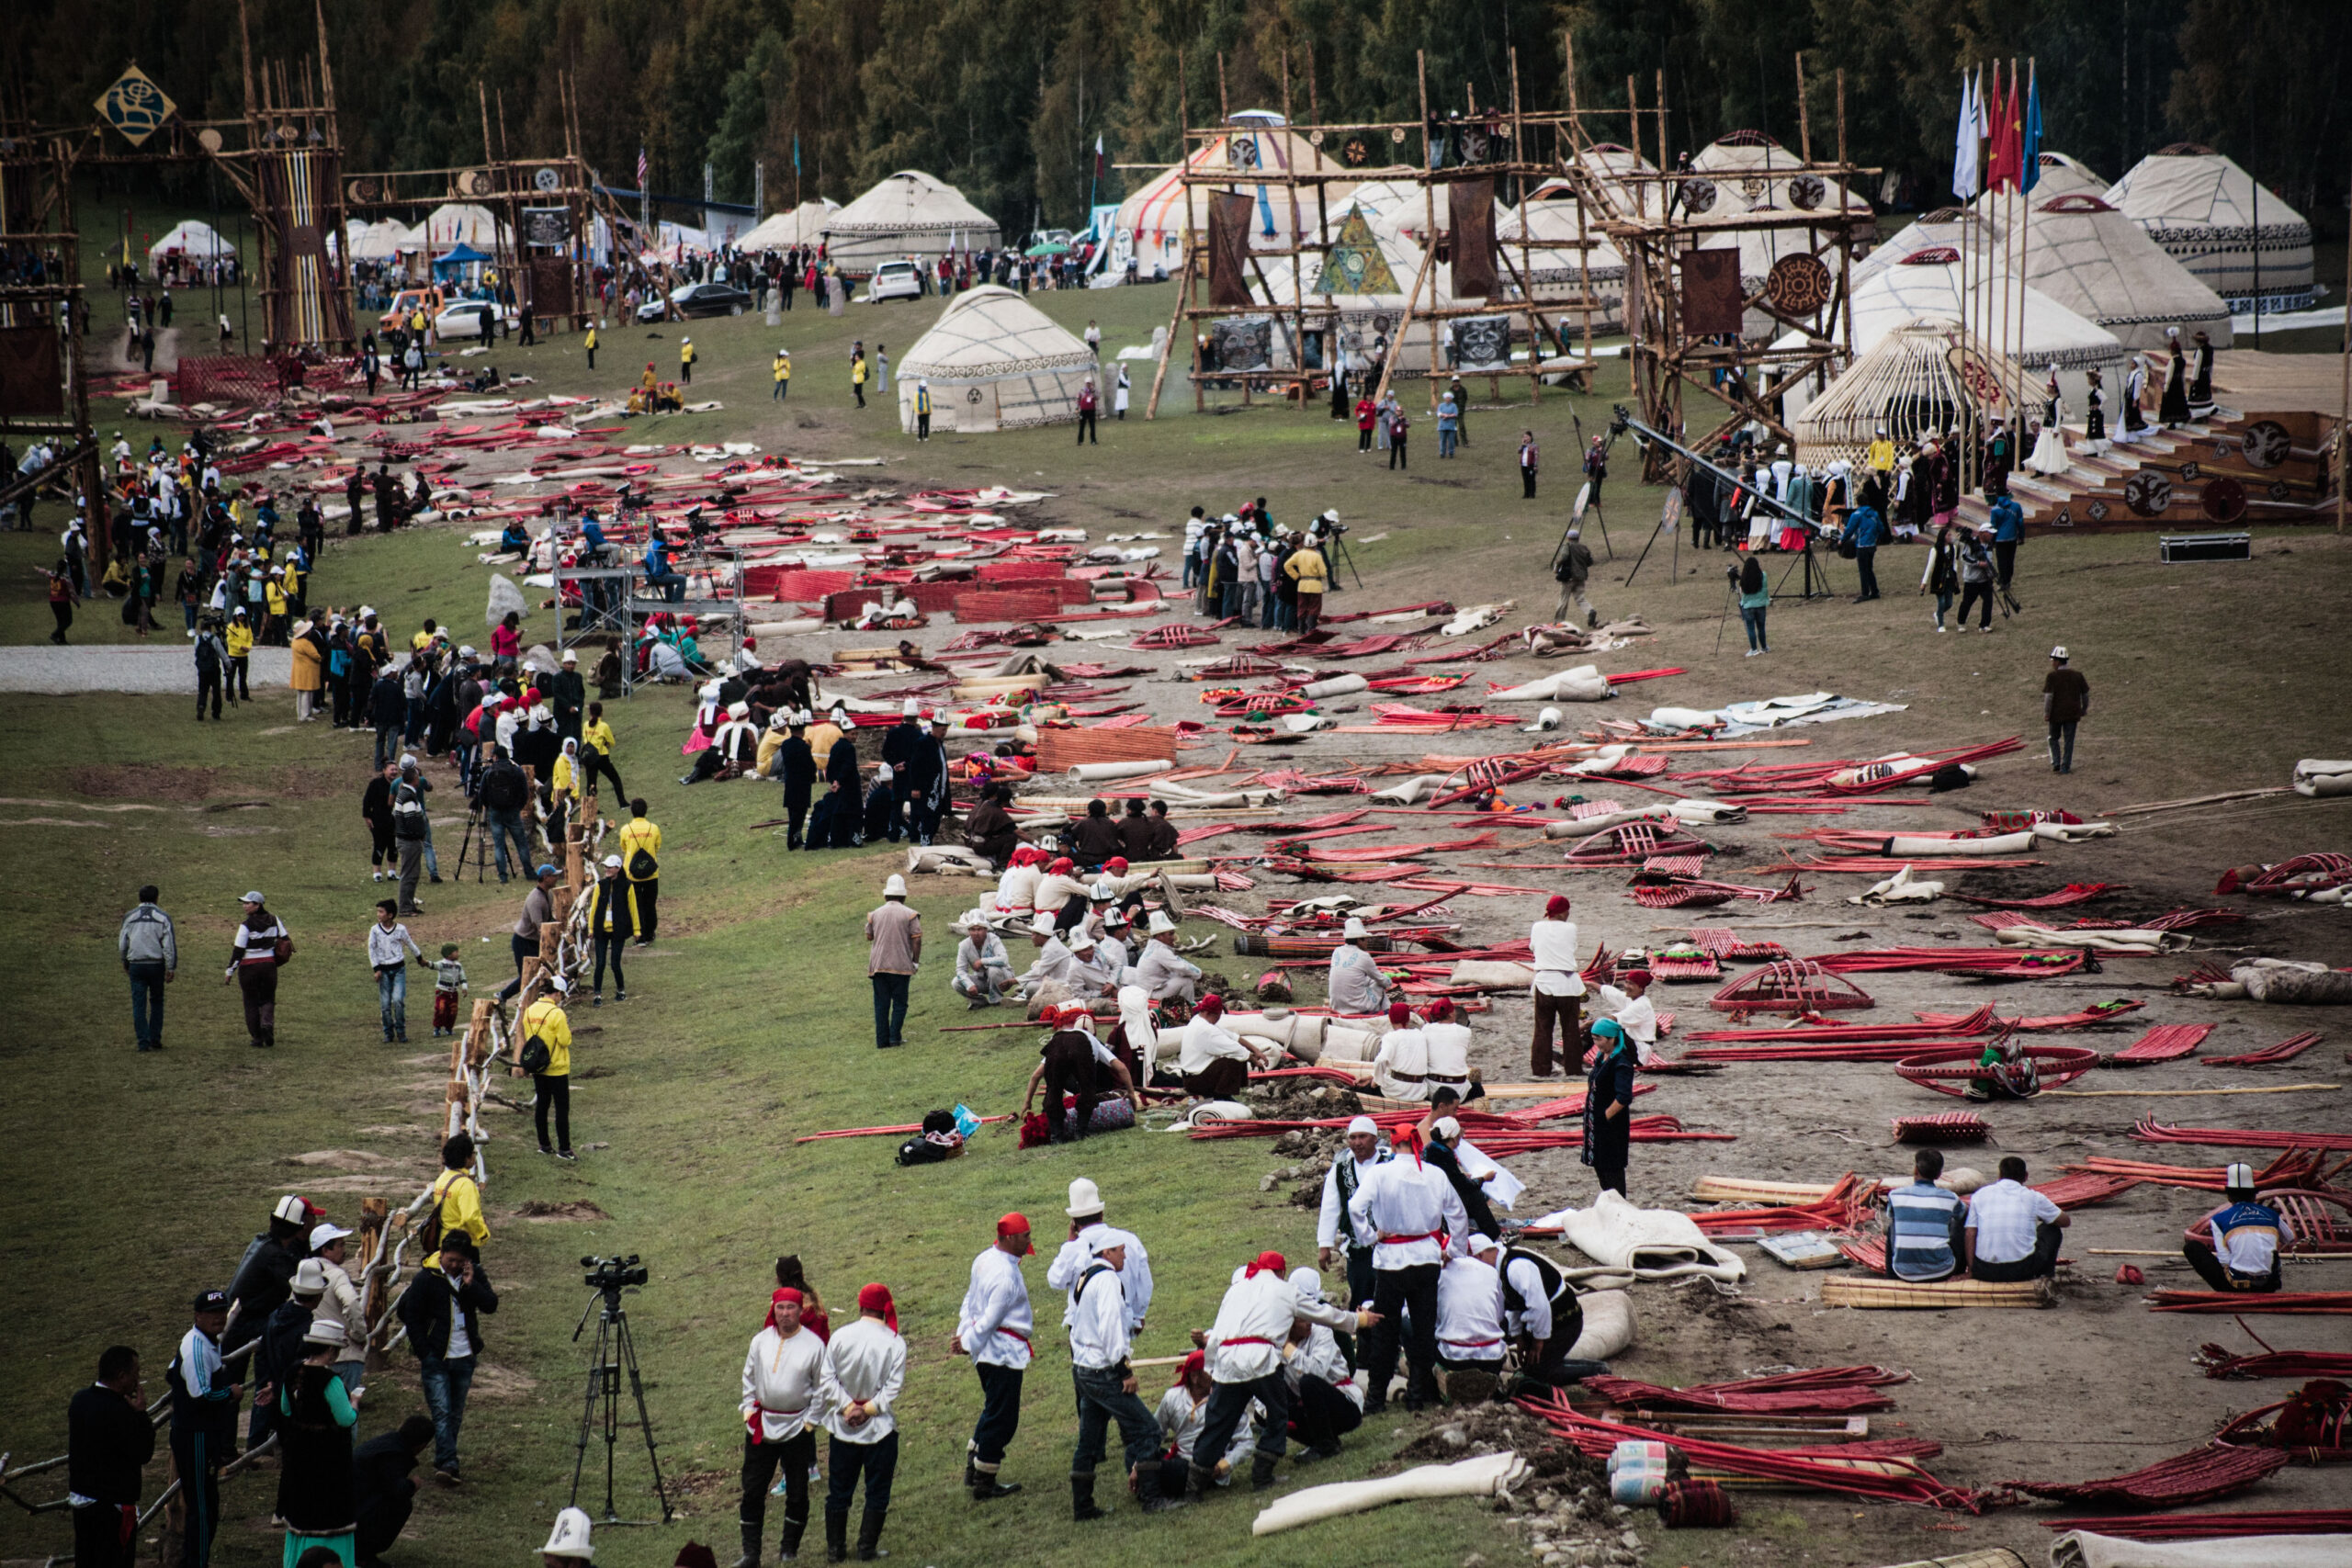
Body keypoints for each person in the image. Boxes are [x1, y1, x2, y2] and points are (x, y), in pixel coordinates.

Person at [1185, 1251, 1374, 1498]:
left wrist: (1211, 1367)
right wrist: (1359, 1319)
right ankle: (1262, 1473)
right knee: (1277, 1411)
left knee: (1219, 1421)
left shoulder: (1235, 1291)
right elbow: (1323, 1314)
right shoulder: (1285, 1290)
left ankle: (1194, 1485)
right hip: (1261, 1358)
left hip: (1228, 1360)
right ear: (1282, 1273)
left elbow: (1218, 1331)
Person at [1065, 1229, 1187, 1517]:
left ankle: (1083, 1507)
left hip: (1083, 1368)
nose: (1125, 1255)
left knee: (1088, 1440)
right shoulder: (1108, 1280)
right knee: (1147, 1430)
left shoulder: (1086, 1275)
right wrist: (1122, 1371)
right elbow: (1108, 1327)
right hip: (1103, 1370)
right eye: (1120, 1250)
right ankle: (1152, 1497)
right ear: (1107, 1252)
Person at [1347, 1136, 1468, 1416]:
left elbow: (1355, 1207)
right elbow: (1458, 1213)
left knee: (1385, 1329)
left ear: (1393, 1143)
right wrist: (1454, 1248)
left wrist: (1369, 1236)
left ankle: (1376, 1398)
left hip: (1392, 1260)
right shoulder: (1434, 1174)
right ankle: (1417, 1394)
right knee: (1425, 1328)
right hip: (1426, 1257)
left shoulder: (1380, 1172)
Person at [394, 1233, 498, 1484]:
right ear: (441, 1254)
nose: (453, 1265)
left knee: (455, 1413)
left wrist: (471, 1285)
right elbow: (411, 1316)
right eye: (450, 1260)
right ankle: (448, 1463)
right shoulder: (425, 1279)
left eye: (459, 1261)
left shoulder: (473, 1275)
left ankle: (446, 1459)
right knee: (441, 1411)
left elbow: (491, 1305)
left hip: (464, 1355)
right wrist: (425, 1351)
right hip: (436, 1357)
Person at [738, 1287, 827, 1567]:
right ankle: (750, 1553)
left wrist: (810, 1423)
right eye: (780, 1308)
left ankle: (789, 1548)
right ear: (773, 1309)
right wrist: (750, 1411)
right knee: (752, 1489)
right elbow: (749, 1378)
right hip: (761, 1427)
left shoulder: (814, 1345)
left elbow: (822, 1389)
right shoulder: (760, 1341)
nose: (785, 1313)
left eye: (790, 1308)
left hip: (796, 1429)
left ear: (801, 1310)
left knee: (798, 1491)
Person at [818, 1283, 906, 1563]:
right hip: (878, 1426)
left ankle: (836, 1550)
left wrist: (847, 1407)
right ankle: (866, 1548)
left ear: (861, 1305)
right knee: (877, 1490)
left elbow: (827, 1379)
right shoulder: (894, 1342)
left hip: (843, 1426)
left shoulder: (842, 1336)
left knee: (839, 1491)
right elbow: (893, 1387)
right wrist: (868, 1409)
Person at [951, 1214, 1035, 1504]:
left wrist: (964, 1336)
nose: (1029, 1241)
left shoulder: (984, 1259)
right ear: (1011, 1238)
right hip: (1001, 1352)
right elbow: (988, 1319)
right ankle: (984, 1480)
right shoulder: (1005, 1276)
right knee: (1003, 1417)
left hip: (987, 1350)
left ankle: (975, 1466)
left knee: (994, 1407)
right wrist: (967, 1340)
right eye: (1026, 1236)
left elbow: (969, 1302)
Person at [276, 1319, 360, 1567]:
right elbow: (345, 1419)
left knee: (301, 1508)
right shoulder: (330, 1381)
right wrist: (354, 1403)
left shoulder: (292, 1373)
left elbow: (284, 1408)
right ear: (332, 1350)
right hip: (328, 1458)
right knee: (328, 1511)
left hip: (299, 1454)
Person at [167, 1291, 240, 1568]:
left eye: (222, 1311)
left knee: (208, 1504)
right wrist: (230, 1394)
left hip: (202, 1434)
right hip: (194, 1434)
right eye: (212, 1313)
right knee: (201, 1507)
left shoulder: (207, 1340)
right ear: (198, 1316)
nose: (219, 1317)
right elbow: (202, 1396)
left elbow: (171, 1372)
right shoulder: (196, 1347)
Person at [68, 1343, 154, 1568]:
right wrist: (141, 1414)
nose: (138, 1380)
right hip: (112, 1508)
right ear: (121, 1376)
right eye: (135, 1374)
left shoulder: (80, 1400)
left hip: (81, 1501)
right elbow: (144, 1452)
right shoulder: (120, 1411)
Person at [1316, 1115, 1391, 1333]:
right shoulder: (1340, 1171)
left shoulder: (1390, 1165)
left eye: (1363, 1137)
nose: (1357, 1142)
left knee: (1387, 1297)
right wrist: (1325, 1245)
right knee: (1360, 1298)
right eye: (1353, 1138)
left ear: (1375, 1139)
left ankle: (1388, 1348)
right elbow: (1330, 1208)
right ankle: (1365, 1353)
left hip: (1389, 1246)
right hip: (1358, 1249)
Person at [1498, 1239, 1600, 1388]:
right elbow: (1512, 1305)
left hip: (1563, 1322)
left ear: (1481, 1255)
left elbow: (1540, 1307)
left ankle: (1596, 1370)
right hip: (1538, 1323)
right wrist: (1518, 1338)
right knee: (1531, 1368)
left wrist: (1538, 1341)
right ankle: (1555, 1363)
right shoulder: (1498, 1268)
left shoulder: (1516, 1267)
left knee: (1539, 1376)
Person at [2183, 1163, 2293, 1293]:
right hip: (2269, 1285)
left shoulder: (2219, 1219)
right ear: (2254, 1196)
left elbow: (2225, 1260)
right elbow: (2289, 1238)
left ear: (2229, 1197)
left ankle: (2230, 1290)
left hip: (2235, 1286)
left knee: (2192, 1248)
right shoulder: (2271, 1214)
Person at [1964, 1156, 2067, 1282]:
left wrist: (1971, 1269)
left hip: (1984, 1271)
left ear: (2000, 1175)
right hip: (2021, 1271)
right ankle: (2045, 1276)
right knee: (2052, 1229)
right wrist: (2043, 1216)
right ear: (2026, 1176)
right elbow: (2065, 1221)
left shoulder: (1979, 1195)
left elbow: (1970, 1233)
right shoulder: (2033, 1197)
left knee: (1970, 1227)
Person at [351, 1416, 435, 1566]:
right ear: (422, 1445)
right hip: (355, 1507)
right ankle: (362, 1553)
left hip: (351, 1499)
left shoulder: (389, 1442)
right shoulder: (394, 1454)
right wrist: (412, 1484)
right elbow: (397, 1489)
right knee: (401, 1505)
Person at [1433, 1235, 1509, 1389]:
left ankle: (1431, 1385)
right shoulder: (1491, 1272)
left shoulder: (1438, 1274)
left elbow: (1432, 1317)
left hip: (1454, 1357)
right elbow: (1499, 1315)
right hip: (1492, 1356)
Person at [1883, 1148, 1965, 1283]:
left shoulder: (1895, 1195)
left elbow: (1893, 1217)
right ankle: (1960, 1271)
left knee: (1893, 1225)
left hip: (1903, 1271)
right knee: (1961, 1221)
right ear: (1939, 1175)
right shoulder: (1951, 1198)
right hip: (1942, 1270)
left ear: (1915, 1170)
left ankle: (1891, 1275)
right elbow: (1962, 1214)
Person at [308, 1221, 368, 1393]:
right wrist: (359, 1333)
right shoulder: (337, 1275)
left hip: (316, 1356)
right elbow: (350, 1302)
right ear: (326, 1250)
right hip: (344, 1354)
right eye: (340, 1245)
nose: (344, 1249)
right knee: (346, 1413)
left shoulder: (302, 1274)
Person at [1581, 1017, 1638, 1197]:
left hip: (1611, 1126)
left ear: (1611, 1038)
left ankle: (1619, 1208)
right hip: (1596, 1125)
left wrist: (1605, 1116)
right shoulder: (1601, 1058)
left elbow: (1623, 1097)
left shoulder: (1621, 1063)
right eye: (1594, 1038)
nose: (1596, 1043)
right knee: (1601, 1168)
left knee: (1612, 1169)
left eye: (1599, 1039)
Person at [1527, 895, 1583, 1077]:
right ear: (1563, 912)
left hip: (1544, 981)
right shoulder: (1570, 928)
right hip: (1567, 983)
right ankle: (1573, 1069)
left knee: (1542, 1028)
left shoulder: (1537, 927)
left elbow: (1533, 947)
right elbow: (1572, 947)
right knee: (1570, 1029)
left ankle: (1541, 1070)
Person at [520, 976, 576, 1160]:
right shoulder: (557, 1013)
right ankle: (564, 1148)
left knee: (542, 1105)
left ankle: (544, 1144)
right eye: (561, 994)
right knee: (561, 1108)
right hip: (557, 1067)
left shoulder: (530, 1010)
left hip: (537, 1065)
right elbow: (565, 1040)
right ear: (557, 993)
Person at [226, 890, 288, 1048]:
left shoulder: (246, 925)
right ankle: (267, 1024)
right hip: (269, 965)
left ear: (258, 905)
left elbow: (238, 950)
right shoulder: (275, 920)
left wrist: (230, 971)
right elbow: (286, 938)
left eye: (248, 903)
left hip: (249, 967)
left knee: (250, 1002)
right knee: (268, 998)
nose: (244, 906)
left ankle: (257, 1037)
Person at [865, 874, 921, 1049]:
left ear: (885, 895)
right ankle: (895, 1037)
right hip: (901, 965)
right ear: (904, 896)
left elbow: (869, 936)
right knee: (899, 1003)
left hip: (879, 965)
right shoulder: (910, 914)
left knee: (881, 1004)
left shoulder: (875, 914)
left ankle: (882, 1041)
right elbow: (916, 939)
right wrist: (915, 961)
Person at [119, 885, 177, 1053]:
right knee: (157, 1001)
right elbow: (168, 945)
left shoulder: (129, 917)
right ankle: (155, 1038)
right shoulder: (163, 917)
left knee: (139, 1003)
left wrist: (124, 961)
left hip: (136, 964)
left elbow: (123, 943)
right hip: (155, 965)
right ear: (156, 898)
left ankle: (143, 1042)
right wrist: (171, 966)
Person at [1176, 995, 1267, 1099]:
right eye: (1219, 1015)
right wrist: (1253, 1060)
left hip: (1191, 1076)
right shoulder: (1206, 1029)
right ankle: (1222, 1098)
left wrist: (1256, 1050)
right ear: (1212, 1013)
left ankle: (1224, 1095)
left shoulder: (1198, 1020)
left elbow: (1233, 1037)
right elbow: (1235, 1049)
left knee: (1238, 1056)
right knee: (1234, 1061)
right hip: (1194, 1081)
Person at [420, 1134, 490, 1267]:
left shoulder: (442, 1178)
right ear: (466, 1158)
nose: (474, 1157)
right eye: (473, 1153)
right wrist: (482, 1233)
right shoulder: (465, 1184)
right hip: (463, 1246)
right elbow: (470, 1218)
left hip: (443, 1244)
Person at [498, 864, 560, 1005]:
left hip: (533, 941)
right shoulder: (535, 899)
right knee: (527, 976)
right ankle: (503, 995)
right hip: (524, 942)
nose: (557, 878)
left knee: (537, 973)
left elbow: (549, 918)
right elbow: (539, 926)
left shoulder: (548, 894)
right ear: (545, 878)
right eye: (554, 876)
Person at [368, 899, 425, 1043]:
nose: (378, 914)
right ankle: (388, 1032)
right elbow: (371, 949)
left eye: (381, 912)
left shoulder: (400, 929)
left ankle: (401, 1031)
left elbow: (409, 943)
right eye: (378, 911)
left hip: (398, 969)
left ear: (390, 915)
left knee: (398, 1000)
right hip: (384, 971)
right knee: (385, 1004)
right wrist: (376, 969)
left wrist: (419, 957)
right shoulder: (375, 930)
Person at [587, 855, 631, 1005]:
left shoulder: (626, 885)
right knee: (600, 963)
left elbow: (633, 909)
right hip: (601, 930)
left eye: (610, 867)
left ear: (618, 869)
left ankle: (621, 990)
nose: (607, 869)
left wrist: (637, 930)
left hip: (618, 930)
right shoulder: (601, 885)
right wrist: (591, 928)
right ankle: (597, 995)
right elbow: (593, 908)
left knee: (615, 963)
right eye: (605, 867)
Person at [1131, 911, 1201, 1004]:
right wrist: (1199, 974)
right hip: (1152, 994)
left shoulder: (1153, 946)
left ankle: (1180, 1006)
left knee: (1180, 975)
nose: (1173, 938)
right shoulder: (1160, 950)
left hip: (1150, 990)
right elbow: (1182, 967)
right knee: (1186, 981)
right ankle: (1187, 1012)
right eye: (1170, 934)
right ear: (1160, 936)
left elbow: (1178, 962)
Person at [618, 798, 662, 942]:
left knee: (636, 905)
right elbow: (657, 846)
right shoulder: (653, 828)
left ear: (632, 811)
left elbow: (624, 847)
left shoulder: (625, 830)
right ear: (646, 810)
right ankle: (650, 933)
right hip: (651, 873)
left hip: (632, 874)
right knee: (650, 904)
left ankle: (639, 936)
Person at [952, 910, 1014, 1007]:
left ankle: (996, 1000)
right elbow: (960, 970)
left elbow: (1003, 959)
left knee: (993, 970)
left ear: (986, 929)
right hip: (983, 980)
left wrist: (982, 961)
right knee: (956, 982)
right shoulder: (964, 945)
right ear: (969, 931)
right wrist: (969, 984)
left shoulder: (993, 939)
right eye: (972, 929)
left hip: (1004, 978)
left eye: (979, 929)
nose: (976, 933)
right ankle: (979, 1002)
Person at [1326, 919, 1389, 1014]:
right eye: (1366, 939)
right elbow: (1382, 980)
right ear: (1360, 940)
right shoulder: (1363, 956)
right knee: (1380, 985)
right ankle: (1386, 1013)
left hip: (1336, 1006)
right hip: (1356, 1007)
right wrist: (1389, 979)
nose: (1367, 941)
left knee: (1366, 980)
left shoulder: (1337, 951)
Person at [2043, 646, 2088, 774]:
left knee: (2053, 738)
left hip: (2056, 714)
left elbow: (2048, 697)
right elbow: (2085, 695)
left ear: (2057, 661)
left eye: (2053, 661)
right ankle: (2065, 767)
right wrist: (2083, 709)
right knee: (2069, 741)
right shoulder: (2078, 676)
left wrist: (2047, 713)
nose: (2052, 663)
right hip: (2072, 714)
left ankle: (2056, 762)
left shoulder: (2052, 676)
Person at [1921, 520, 1962, 632]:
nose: (1951, 536)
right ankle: (1941, 624)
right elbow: (1929, 566)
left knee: (1949, 603)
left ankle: (1937, 614)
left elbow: (1954, 562)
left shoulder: (1953, 548)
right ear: (1943, 537)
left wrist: (1954, 574)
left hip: (1949, 579)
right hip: (1938, 578)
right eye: (1948, 535)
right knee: (1941, 601)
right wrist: (1924, 582)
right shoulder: (1935, 550)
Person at [1551, 528, 1596, 627]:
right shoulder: (1584, 547)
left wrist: (1557, 566)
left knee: (1563, 599)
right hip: (1581, 577)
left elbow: (1564, 557)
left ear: (1568, 538)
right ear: (1578, 538)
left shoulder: (1567, 546)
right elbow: (1590, 562)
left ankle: (1559, 622)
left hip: (1569, 577)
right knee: (1580, 598)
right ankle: (1590, 611)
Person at [1845, 493, 1886, 602]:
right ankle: (1874, 591)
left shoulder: (1856, 514)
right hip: (1872, 545)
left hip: (1861, 545)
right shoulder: (1874, 514)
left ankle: (1865, 593)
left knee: (1863, 570)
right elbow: (1881, 529)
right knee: (1869, 569)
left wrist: (1842, 540)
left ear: (1858, 503)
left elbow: (1849, 529)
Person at [1955, 527, 1996, 632]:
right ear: (1982, 534)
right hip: (1971, 580)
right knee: (1967, 602)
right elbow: (1964, 558)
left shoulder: (1989, 546)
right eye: (1989, 533)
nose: (1991, 536)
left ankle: (1984, 625)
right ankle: (1961, 622)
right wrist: (1978, 563)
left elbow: (1990, 560)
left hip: (1985, 579)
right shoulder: (1971, 544)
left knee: (1988, 601)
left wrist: (1991, 574)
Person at [1989, 488, 2023, 593]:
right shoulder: (2016, 506)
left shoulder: (1994, 510)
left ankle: (2003, 581)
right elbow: (2020, 523)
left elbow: (1993, 526)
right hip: (2012, 537)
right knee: (2010, 560)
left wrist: (1992, 540)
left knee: (2001, 561)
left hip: (2000, 539)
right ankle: (2008, 580)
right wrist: (2021, 536)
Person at [1519, 430, 1539, 499]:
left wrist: (1535, 465)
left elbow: (1536, 456)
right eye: (1524, 437)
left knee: (1531, 480)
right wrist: (1522, 445)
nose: (1525, 438)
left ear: (1530, 437)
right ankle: (1526, 494)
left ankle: (1532, 494)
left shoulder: (1534, 446)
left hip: (1531, 465)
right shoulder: (1523, 446)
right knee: (1525, 479)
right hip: (1523, 465)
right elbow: (1519, 451)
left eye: (1526, 437)